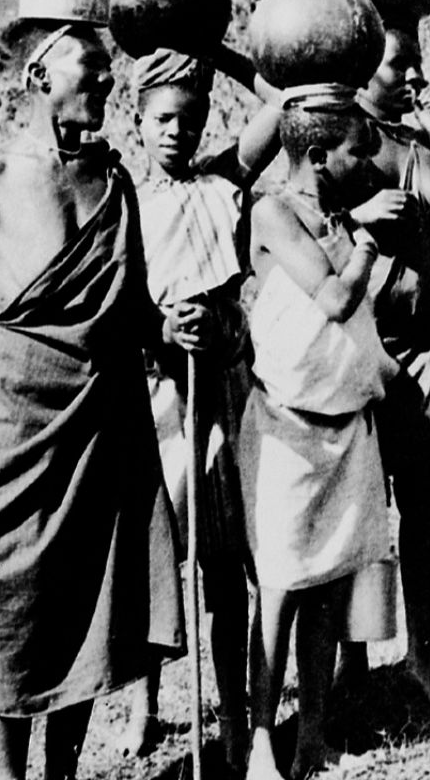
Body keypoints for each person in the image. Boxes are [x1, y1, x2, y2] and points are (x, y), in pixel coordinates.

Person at [0, 19, 183, 780]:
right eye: (93, 70)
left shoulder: (117, 181)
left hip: (104, 419)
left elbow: (138, 307)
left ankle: (63, 776)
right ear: (40, 78)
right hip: (16, 425)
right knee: (15, 605)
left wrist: (186, 333)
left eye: (110, 74)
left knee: (89, 602)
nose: (108, 84)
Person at [118, 48, 280, 766]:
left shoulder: (223, 182)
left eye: (190, 120)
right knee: (156, 555)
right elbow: (114, 307)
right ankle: (144, 703)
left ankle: (239, 712)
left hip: (219, 389)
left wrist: (210, 44)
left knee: (221, 561)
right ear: (138, 123)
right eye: (162, 120)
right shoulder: (120, 199)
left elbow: (282, 104)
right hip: (155, 394)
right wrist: (158, 329)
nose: (176, 133)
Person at [240, 91, 397, 779]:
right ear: (314, 156)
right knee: (279, 590)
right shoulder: (274, 211)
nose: (370, 160)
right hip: (286, 431)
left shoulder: (336, 211)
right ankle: (258, 742)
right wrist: (365, 241)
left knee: (331, 585)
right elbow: (334, 301)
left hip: (347, 428)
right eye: (358, 149)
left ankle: (312, 733)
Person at [333, 2, 430, 707]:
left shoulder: (416, 140)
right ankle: (353, 665)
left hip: (425, 350)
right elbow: (297, 222)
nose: (414, 74)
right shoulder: (335, 140)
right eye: (399, 62)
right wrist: (355, 218)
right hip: (358, 350)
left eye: (417, 60)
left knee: (422, 506)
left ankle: (422, 655)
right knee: (356, 512)